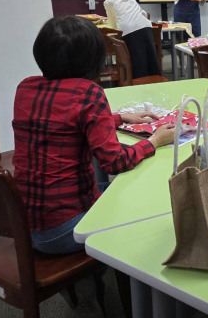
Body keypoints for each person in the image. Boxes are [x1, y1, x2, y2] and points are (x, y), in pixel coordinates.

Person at [12, 17, 176, 254]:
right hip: (65, 229)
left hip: (23, 222)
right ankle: (122, 266)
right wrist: (155, 141)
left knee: (111, 188)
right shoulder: (88, 93)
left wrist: (119, 117)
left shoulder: (26, 87)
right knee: (142, 201)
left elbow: (63, 121)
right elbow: (115, 162)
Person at [102, 0, 160, 79]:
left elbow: (112, 24)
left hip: (128, 30)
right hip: (145, 26)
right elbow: (143, 13)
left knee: (137, 60)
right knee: (150, 57)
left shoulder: (108, 2)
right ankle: (155, 79)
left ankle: (139, 82)